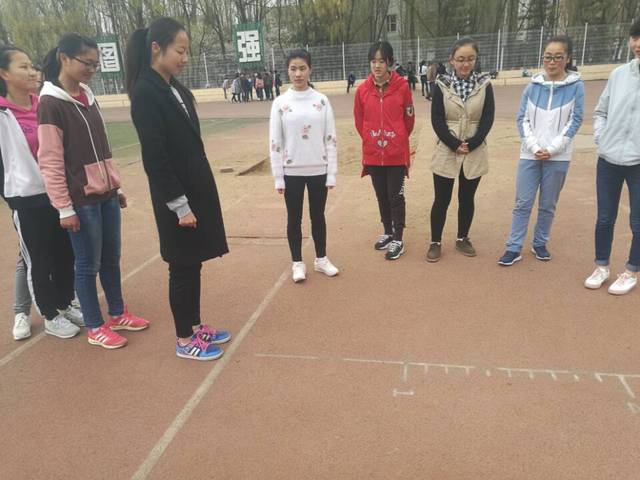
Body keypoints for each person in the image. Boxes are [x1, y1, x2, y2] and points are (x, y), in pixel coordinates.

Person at [126, 17, 232, 360]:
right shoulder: (145, 92)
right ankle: (184, 339)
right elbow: (155, 158)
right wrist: (180, 205)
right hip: (176, 197)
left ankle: (195, 324)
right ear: (156, 48)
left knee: (193, 262)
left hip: (194, 189)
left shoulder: (172, 87)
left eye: (187, 51)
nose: (185, 58)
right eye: (180, 51)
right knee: (182, 266)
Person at [38, 33, 149, 349]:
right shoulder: (50, 104)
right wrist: (64, 207)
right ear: (64, 59)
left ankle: (117, 313)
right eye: (87, 63)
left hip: (106, 193)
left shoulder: (88, 95)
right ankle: (94, 325)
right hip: (81, 200)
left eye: (96, 64)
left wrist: (115, 184)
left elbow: (102, 147)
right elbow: (50, 160)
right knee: (88, 264)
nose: (92, 70)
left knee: (111, 258)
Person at [0, 45, 83, 340]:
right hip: (26, 199)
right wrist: (12, 195)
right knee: (39, 259)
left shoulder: (44, 105)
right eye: (22, 67)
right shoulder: (2, 113)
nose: (31, 71)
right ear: (4, 74)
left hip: (57, 193)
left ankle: (65, 303)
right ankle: (49, 315)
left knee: (65, 254)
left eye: (32, 66)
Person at [498, 35, 584, 267]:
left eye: (558, 57)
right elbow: (522, 119)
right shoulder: (532, 86)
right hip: (530, 154)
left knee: (547, 204)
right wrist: (535, 147)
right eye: (548, 57)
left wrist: (554, 148)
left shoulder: (576, 87)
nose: (552, 62)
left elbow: (575, 120)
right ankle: (514, 246)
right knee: (522, 203)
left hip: (558, 157)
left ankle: (540, 243)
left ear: (567, 58)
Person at [269, 49, 339, 283]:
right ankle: (297, 263)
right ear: (287, 71)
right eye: (293, 69)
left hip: (318, 169)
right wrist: (278, 177)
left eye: (302, 68)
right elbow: (275, 142)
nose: (298, 74)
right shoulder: (280, 103)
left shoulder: (322, 100)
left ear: (310, 70)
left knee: (318, 217)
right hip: (292, 172)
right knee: (294, 218)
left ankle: (321, 259)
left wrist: (331, 172)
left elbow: (330, 138)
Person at [584, 20, 640, 295]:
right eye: (635, 37)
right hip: (608, 159)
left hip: (638, 163)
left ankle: (631, 270)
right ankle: (601, 266)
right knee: (605, 218)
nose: (638, 43)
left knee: (638, 222)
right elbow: (601, 111)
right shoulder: (619, 74)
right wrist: (601, 138)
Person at [427, 37, 495, 262]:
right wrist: (454, 143)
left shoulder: (484, 84)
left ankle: (462, 238)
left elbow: (487, 118)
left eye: (470, 59)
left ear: (475, 60)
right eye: (460, 59)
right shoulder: (442, 84)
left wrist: (473, 143)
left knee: (467, 198)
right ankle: (435, 242)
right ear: (452, 60)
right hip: (447, 148)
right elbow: (437, 118)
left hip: (475, 149)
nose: (465, 64)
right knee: (441, 199)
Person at [354, 41, 415, 261]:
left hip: (396, 154)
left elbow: (409, 119)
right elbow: (359, 121)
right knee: (381, 196)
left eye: (381, 61)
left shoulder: (402, 87)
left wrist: (395, 138)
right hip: (373, 154)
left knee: (395, 196)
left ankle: (398, 238)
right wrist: (373, 139)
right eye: (373, 61)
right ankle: (388, 232)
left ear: (389, 62)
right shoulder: (362, 90)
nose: (377, 66)